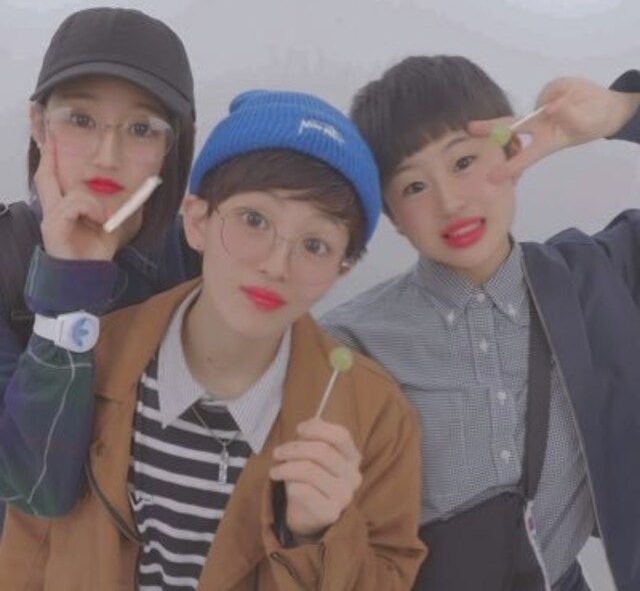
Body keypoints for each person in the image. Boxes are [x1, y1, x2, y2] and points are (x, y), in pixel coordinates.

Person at [0, 90, 426, 589]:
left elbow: (390, 573)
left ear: (342, 268)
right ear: (198, 221)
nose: (275, 265)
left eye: (315, 244)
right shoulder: (92, 359)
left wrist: (317, 537)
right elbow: (28, 550)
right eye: (254, 220)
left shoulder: (375, 416)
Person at [320, 56, 640, 591]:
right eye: (414, 187)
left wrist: (622, 111)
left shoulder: (597, 278)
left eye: (464, 162)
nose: (450, 202)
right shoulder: (352, 343)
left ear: (513, 150)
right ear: (392, 217)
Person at [0, 6, 200, 519]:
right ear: (39, 124)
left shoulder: (203, 263)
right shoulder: (5, 257)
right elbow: (34, 489)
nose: (108, 155)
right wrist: (68, 287)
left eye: (142, 128)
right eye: (82, 120)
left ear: (173, 144)